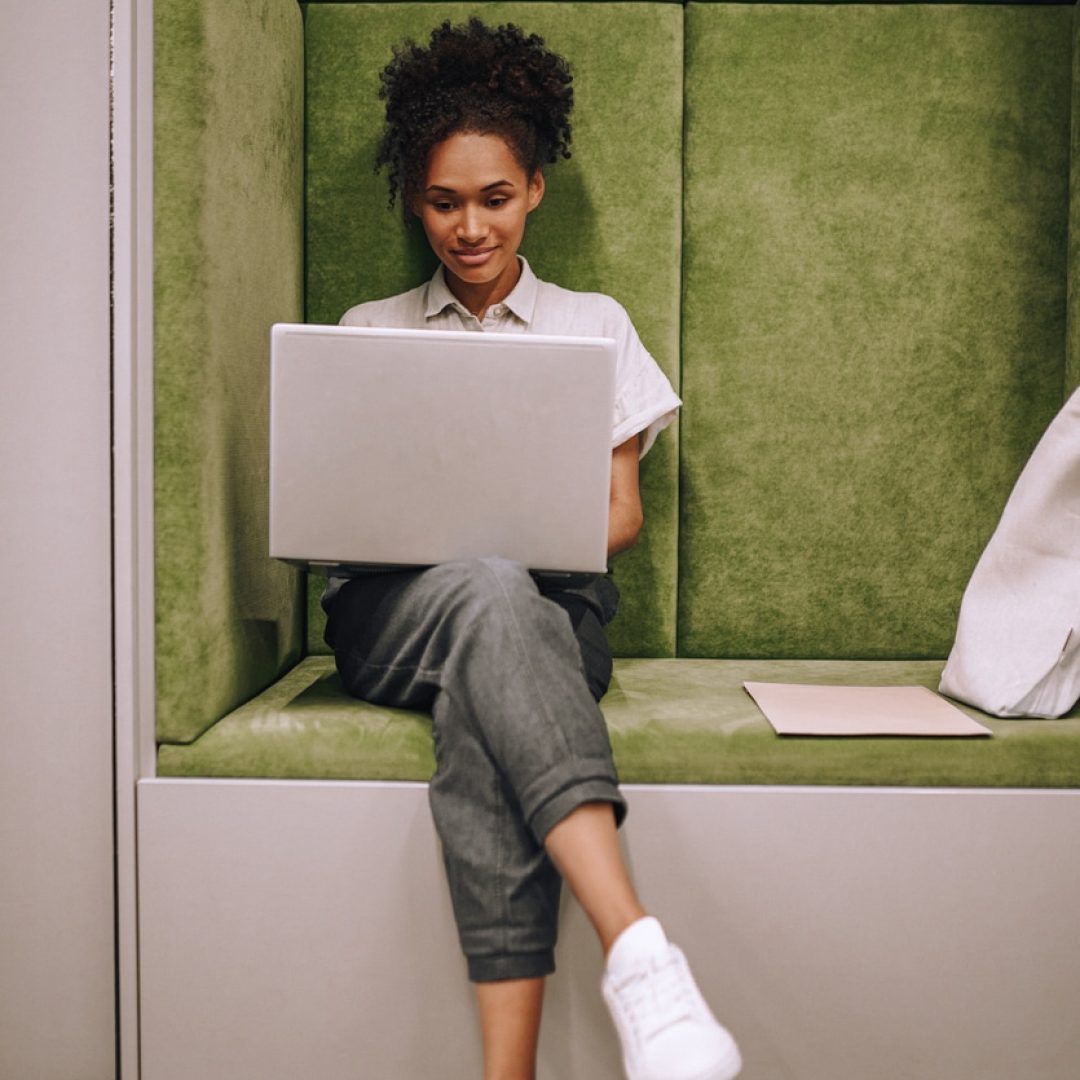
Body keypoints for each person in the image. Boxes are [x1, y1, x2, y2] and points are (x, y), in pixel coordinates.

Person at [321, 19, 742, 1080]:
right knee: (490, 598)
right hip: (392, 615)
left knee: (492, 671)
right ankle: (639, 952)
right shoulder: (366, 331)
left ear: (537, 189)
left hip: (555, 614)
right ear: (416, 201)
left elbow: (622, 515)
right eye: (443, 202)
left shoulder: (593, 323)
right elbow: (333, 522)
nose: (469, 227)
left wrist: (502, 547)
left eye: (494, 198)